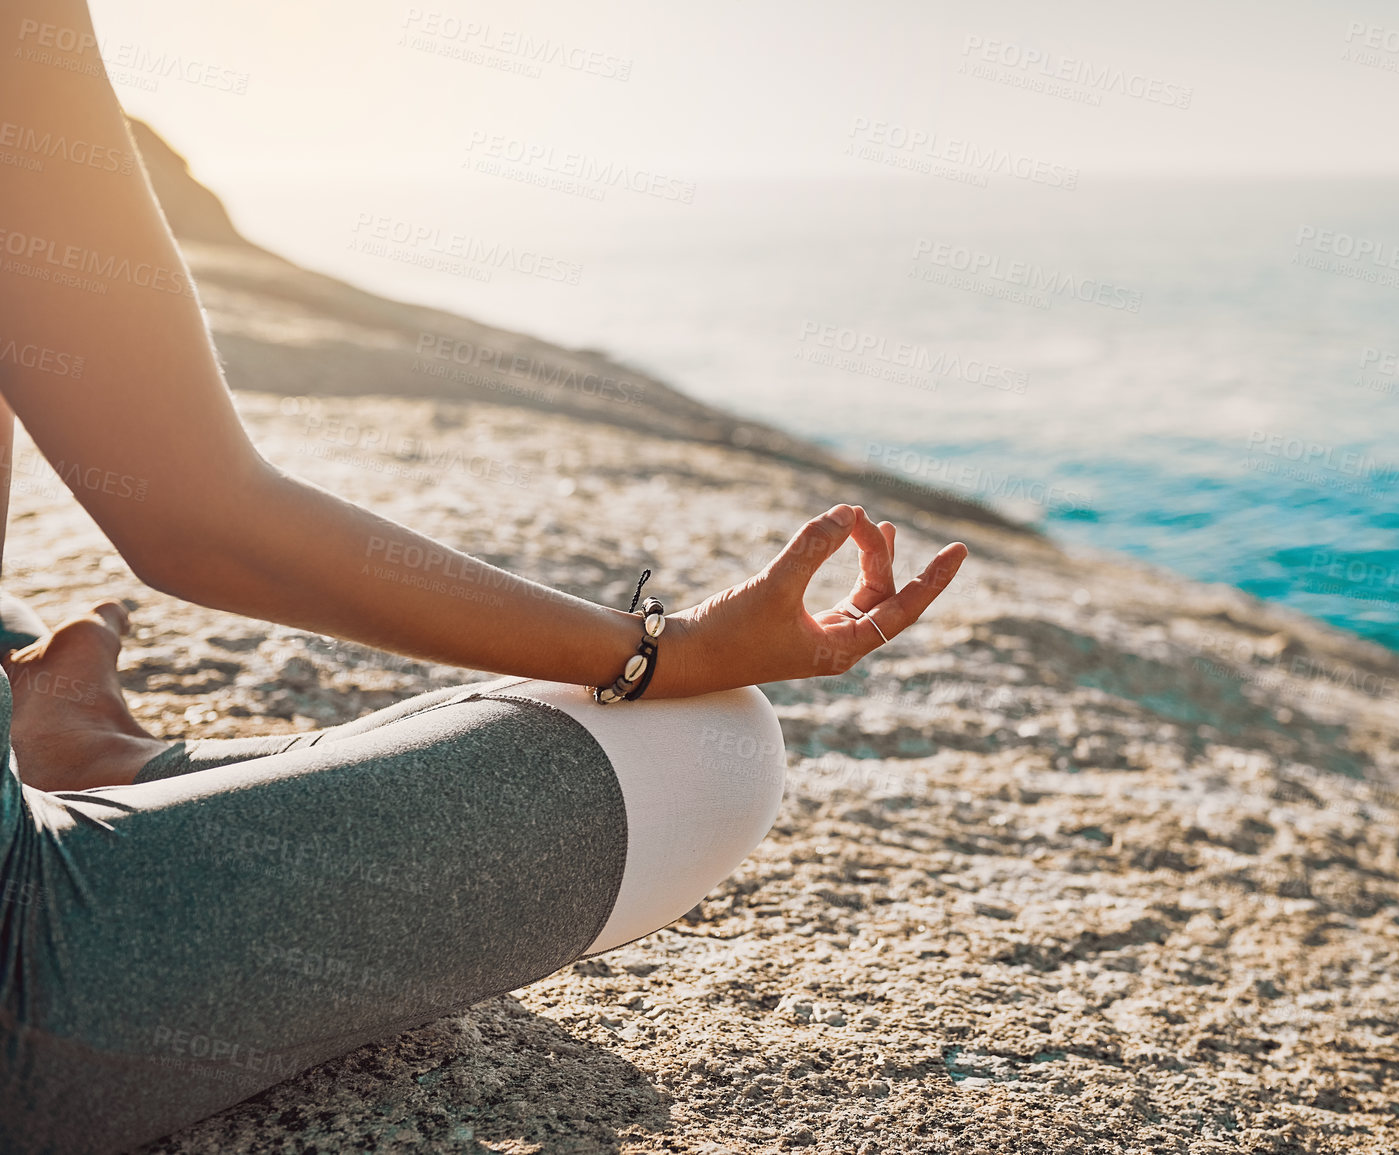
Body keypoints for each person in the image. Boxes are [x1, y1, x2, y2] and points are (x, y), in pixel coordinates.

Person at [0, 3, 968, 1151]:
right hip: (29, 971)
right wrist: (664, 654)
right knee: (709, 747)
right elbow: (200, 522)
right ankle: (110, 762)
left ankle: (83, 756)